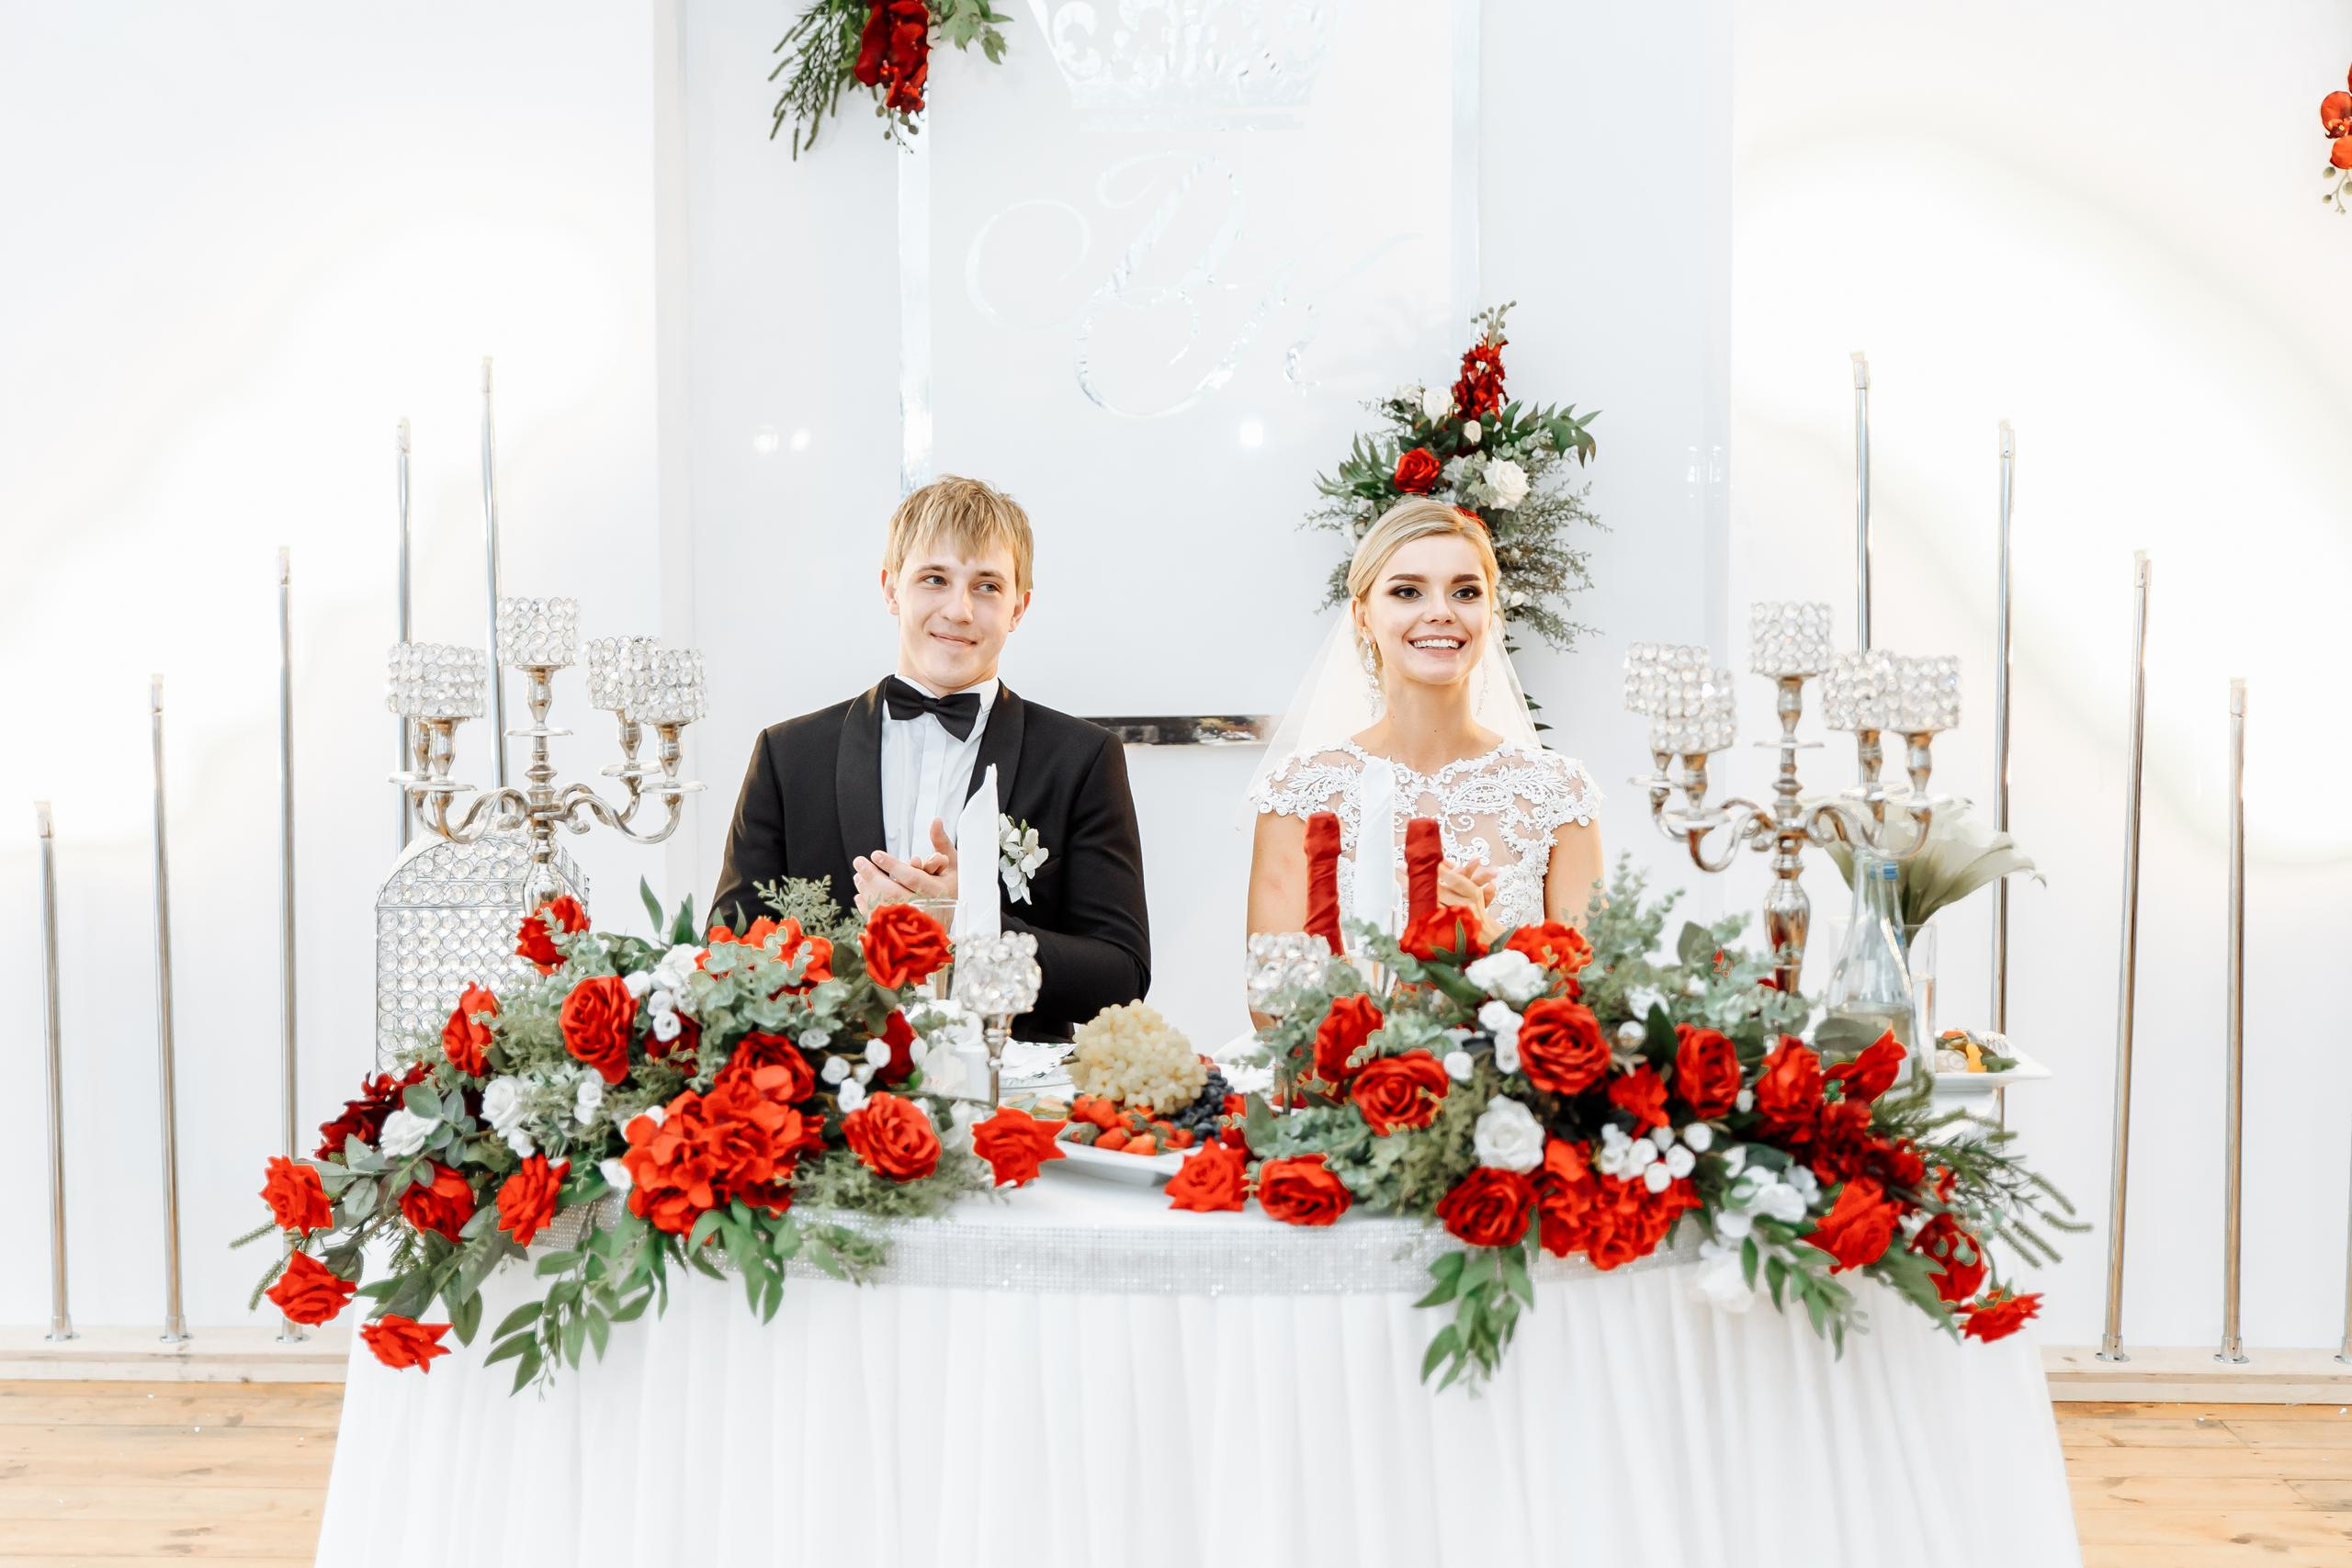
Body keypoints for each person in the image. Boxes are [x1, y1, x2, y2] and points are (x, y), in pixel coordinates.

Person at [710, 475, 1150, 1040]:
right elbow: (726, 956)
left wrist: (973, 920)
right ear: (891, 589)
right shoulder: (787, 755)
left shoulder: (1082, 759)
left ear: (1020, 607)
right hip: (832, 1097)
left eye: (988, 586)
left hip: (1011, 1099)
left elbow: (1122, 978)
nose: (960, 609)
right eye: (934, 579)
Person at [1245, 497, 1603, 953]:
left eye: (1466, 592)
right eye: (1408, 591)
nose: (1441, 611)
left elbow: (1597, 999)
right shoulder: (1297, 793)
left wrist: (1486, 937)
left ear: (1490, 614)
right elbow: (1272, 1005)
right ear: (1362, 616)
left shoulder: (1558, 793)